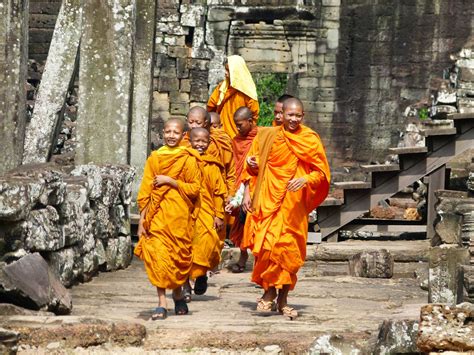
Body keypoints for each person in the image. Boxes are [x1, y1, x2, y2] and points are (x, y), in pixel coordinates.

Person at [242, 98, 330, 320]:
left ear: (303, 116)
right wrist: (253, 165)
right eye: (289, 115)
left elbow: (321, 173)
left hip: (294, 205)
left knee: (288, 251)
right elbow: (252, 167)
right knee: (269, 248)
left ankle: (281, 299)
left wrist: (304, 179)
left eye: (297, 116)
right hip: (268, 201)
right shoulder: (267, 135)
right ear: (281, 114)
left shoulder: (309, 139)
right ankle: (270, 293)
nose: (292, 119)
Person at [134, 118, 201, 320]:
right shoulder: (155, 158)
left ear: (183, 136)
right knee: (158, 259)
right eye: (168, 132)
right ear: (163, 133)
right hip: (157, 218)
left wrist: (171, 181)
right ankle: (162, 302)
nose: (172, 136)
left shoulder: (189, 158)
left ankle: (178, 293)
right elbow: (146, 191)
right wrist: (141, 222)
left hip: (179, 218)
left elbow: (194, 189)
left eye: (176, 132)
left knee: (177, 260)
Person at [185, 128, 227, 301]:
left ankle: (201, 273)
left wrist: (219, 215)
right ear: (190, 141)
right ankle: (185, 285)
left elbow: (218, 193)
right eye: (197, 141)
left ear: (209, 143)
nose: (200, 145)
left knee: (208, 243)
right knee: (185, 247)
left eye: (204, 141)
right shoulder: (184, 160)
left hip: (207, 211)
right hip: (186, 211)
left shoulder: (213, 165)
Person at [225, 107, 258, 273]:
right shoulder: (236, 140)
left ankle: (259, 261)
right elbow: (233, 165)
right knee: (241, 223)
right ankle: (243, 256)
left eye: (240, 125)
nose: (237, 129)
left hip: (255, 185)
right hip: (238, 185)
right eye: (236, 125)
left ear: (251, 121)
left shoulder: (260, 137)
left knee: (255, 224)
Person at [183, 106, 236, 198]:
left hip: (216, 192)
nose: (194, 126)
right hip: (189, 193)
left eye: (198, 122)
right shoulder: (183, 142)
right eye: (190, 122)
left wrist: (231, 194)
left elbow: (230, 171)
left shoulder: (220, 140)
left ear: (205, 123)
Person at [207, 55, 259, 138]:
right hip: (220, 134)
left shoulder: (248, 92)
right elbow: (211, 107)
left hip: (240, 135)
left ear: (236, 72)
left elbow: (253, 117)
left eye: (228, 70)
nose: (225, 73)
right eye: (225, 69)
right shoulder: (222, 87)